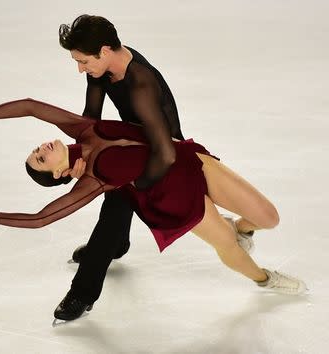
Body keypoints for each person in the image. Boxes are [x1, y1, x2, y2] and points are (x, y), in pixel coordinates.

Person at [0, 98, 307, 319]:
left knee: (268, 217)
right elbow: (43, 218)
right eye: (40, 158)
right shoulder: (92, 182)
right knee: (224, 244)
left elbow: (32, 107)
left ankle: (243, 230)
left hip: (189, 163)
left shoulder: (83, 130)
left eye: (36, 150)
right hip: (174, 198)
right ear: (57, 173)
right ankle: (264, 278)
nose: (41, 147)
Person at [55, 14, 189, 320]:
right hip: (132, 138)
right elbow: (91, 118)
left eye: (83, 62)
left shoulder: (140, 81)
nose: (80, 69)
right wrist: (77, 156)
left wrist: (134, 184)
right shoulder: (101, 68)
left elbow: (166, 150)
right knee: (111, 188)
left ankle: (82, 293)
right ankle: (117, 244)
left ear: (103, 51)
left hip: (162, 150)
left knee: (115, 205)